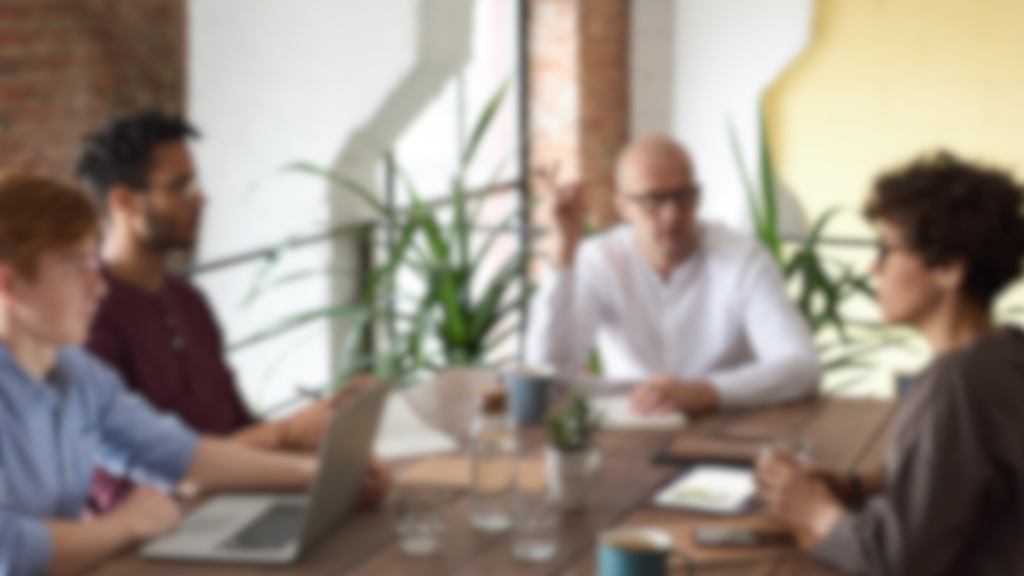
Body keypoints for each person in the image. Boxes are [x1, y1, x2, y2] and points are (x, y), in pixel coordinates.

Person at [0, 171, 340, 576]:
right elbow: (11, 552)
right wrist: (128, 524)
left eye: (93, 262)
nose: (99, 287)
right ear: (10, 283)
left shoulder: (79, 373)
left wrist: (322, 477)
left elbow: (178, 455)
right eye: (74, 267)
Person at [73, 110, 387, 511]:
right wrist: (285, 433)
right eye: (182, 187)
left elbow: (240, 427)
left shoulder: (188, 299)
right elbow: (124, 496)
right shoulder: (86, 318)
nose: (200, 199)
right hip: (155, 537)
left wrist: (333, 461)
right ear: (124, 202)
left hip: (236, 503)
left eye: (196, 185)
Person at [757, 152, 1024, 576]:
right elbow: (963, 475)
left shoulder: (956, 382)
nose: (873, 267)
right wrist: (858, 486)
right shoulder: (1006, 351)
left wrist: (817, 513)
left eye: (887, 251)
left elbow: (895, 561)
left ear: (950, 268)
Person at [525, 136, 820, 415]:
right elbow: (545, 372)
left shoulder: (743, 259)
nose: (672, 214)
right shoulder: (600, 259)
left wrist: (706, 392)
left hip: (721, 429)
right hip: (630, 428)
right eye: (654, 200)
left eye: (683, 196)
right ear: (622, 206)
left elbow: (802, 367)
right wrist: (563, 253)